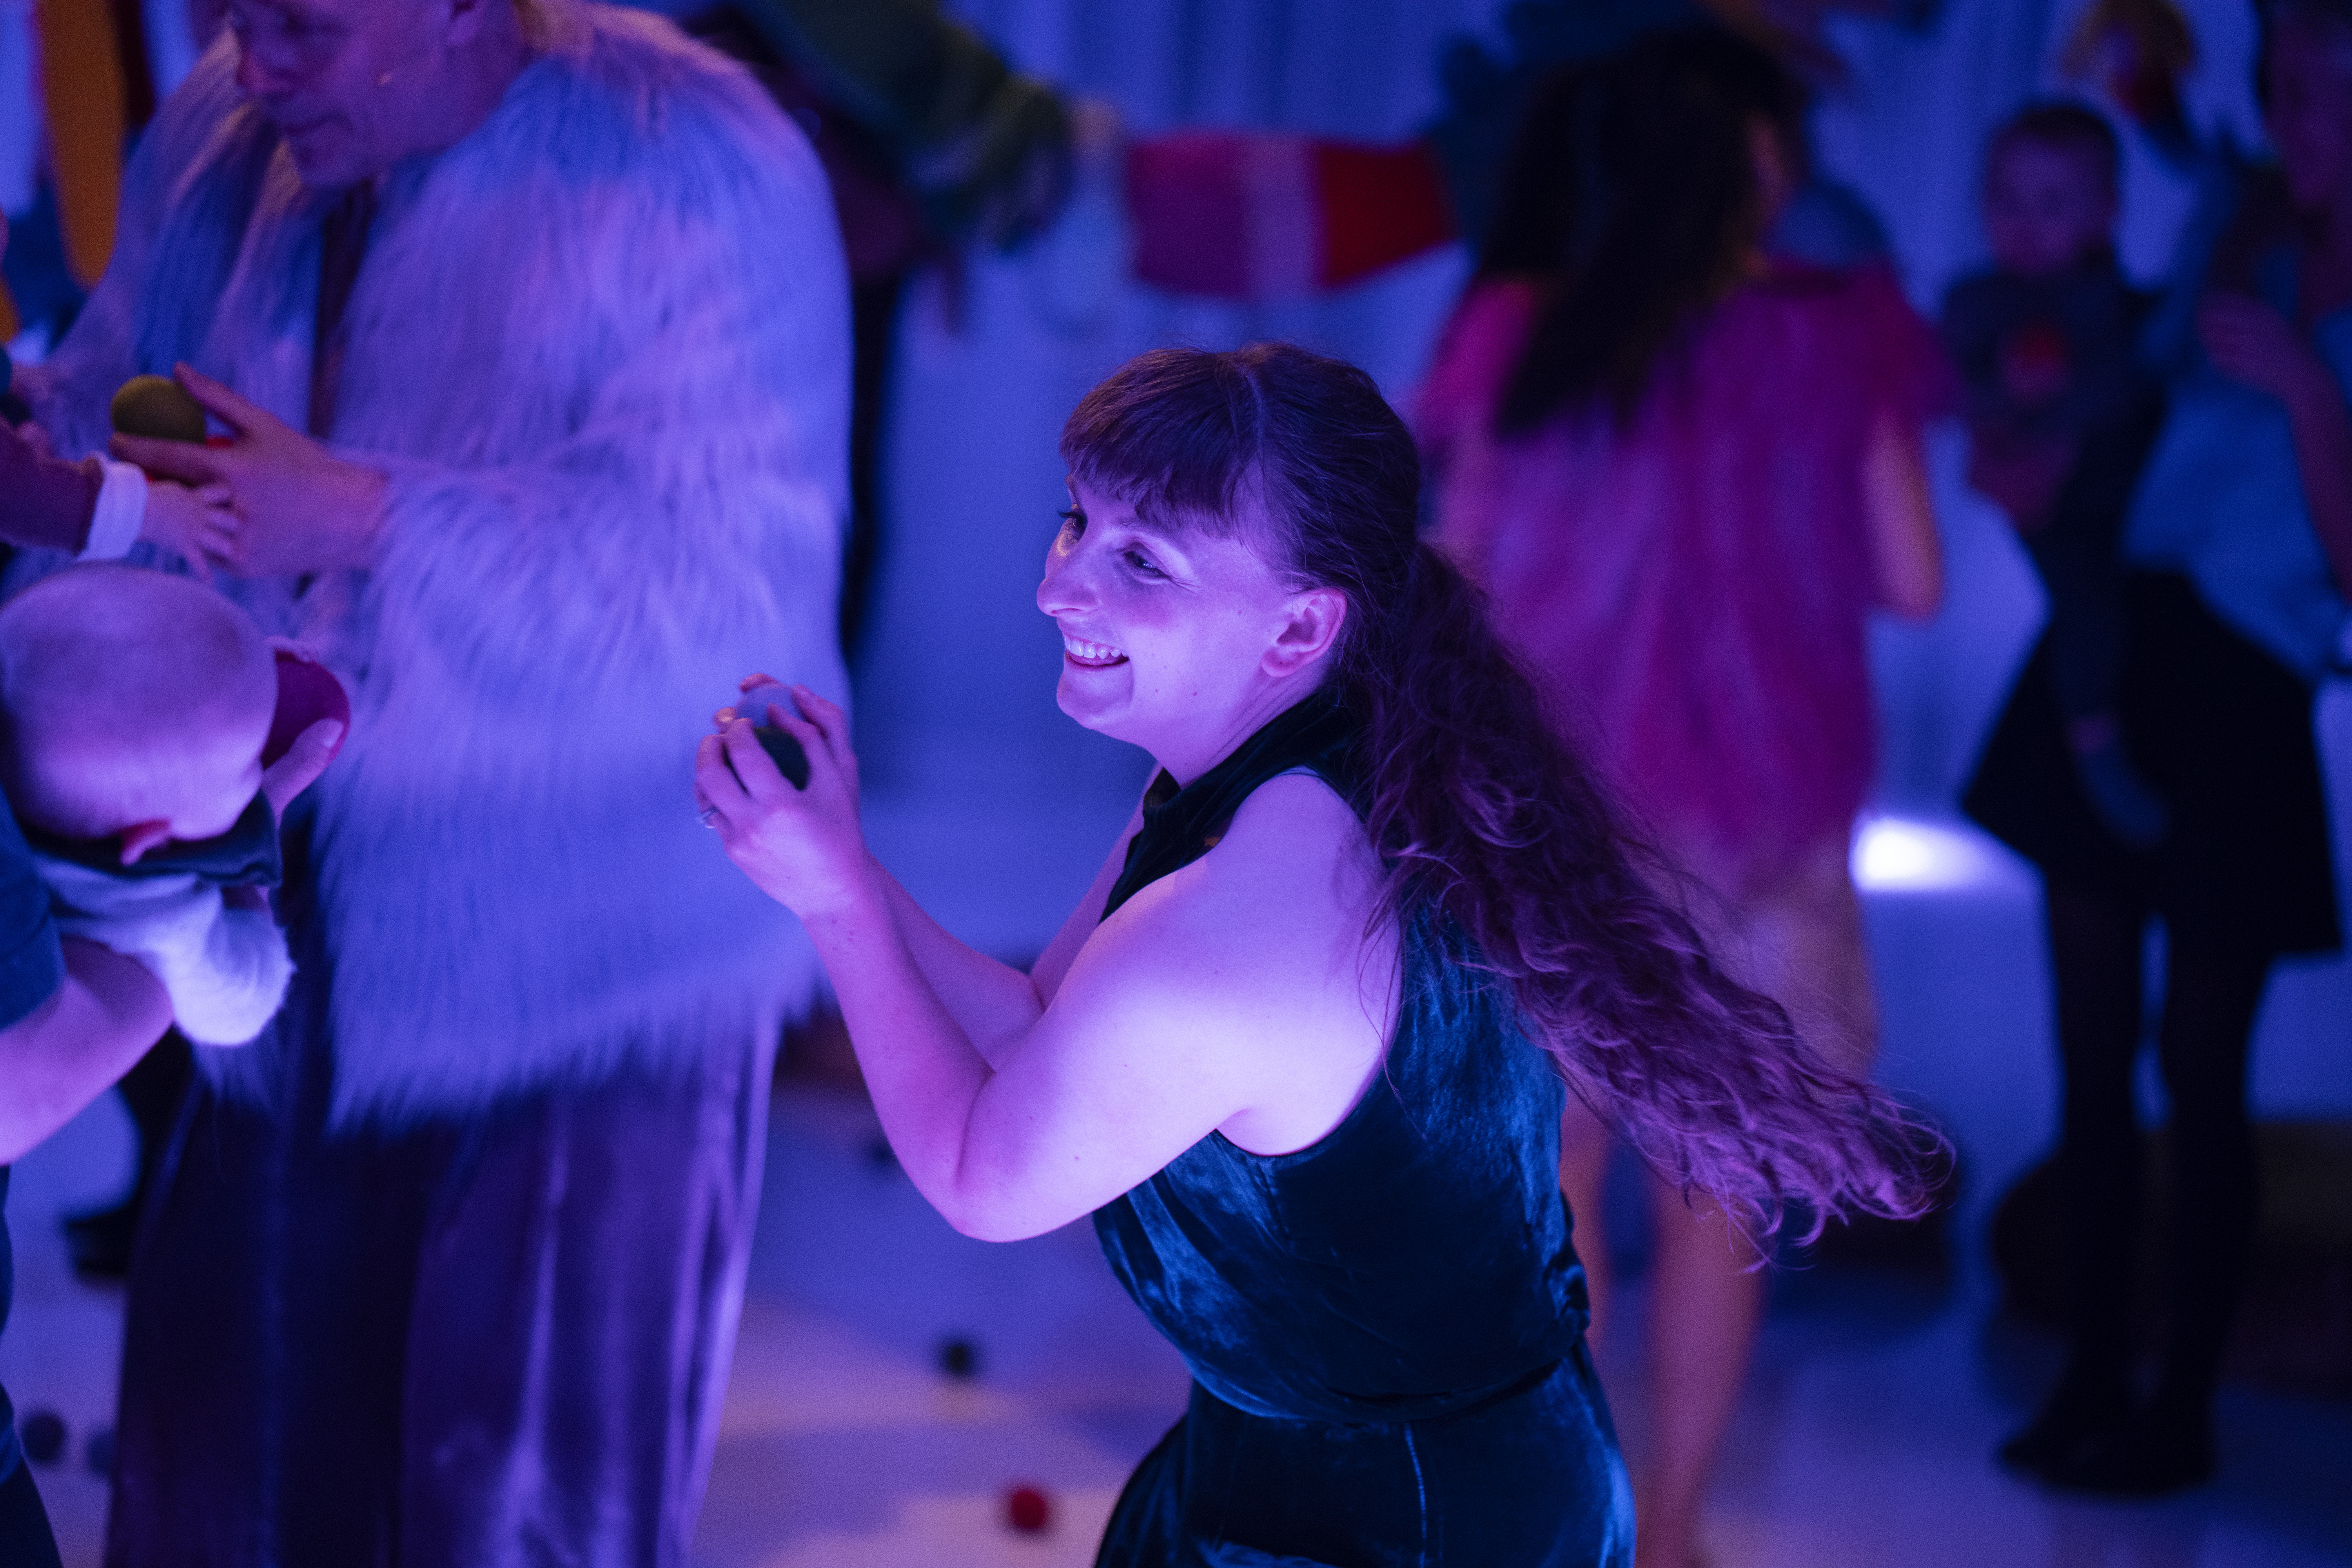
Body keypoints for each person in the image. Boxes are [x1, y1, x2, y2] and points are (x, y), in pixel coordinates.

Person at [694, 341, 1934, 1567]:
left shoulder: (1233, 930)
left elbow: (982, 1172)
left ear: (1297, 628)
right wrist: (844, 864)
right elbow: (1040, 1017)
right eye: (1077, 523)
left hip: (1407, 1525)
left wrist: (836, 912)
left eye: (1142, 560)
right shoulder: (1312, 758)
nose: (1057, 588)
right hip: (1333, 1461)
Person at [13, 0, 850, 1558]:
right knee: (225, 1495)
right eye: (233, 11)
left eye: (304, 24)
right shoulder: (222, 125)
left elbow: (728, 605)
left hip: (591, 983)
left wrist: (366, 519)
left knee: (511, 1513)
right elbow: (121, 395)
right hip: (277, 937)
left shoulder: (705, 165)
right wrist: (45, 452)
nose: (255, 61)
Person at [1414, 32, 1945, 1568]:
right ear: (1760, 169)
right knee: (1722, 1182)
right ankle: (1683, 1527)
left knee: (1551, 1171)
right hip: (1764, 826)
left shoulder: (1524, 332)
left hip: (1560, 818)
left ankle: (1576, 1515)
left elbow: (1465, 566)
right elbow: (1915, 576)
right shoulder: (1840, 338)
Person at [1965, 0, 2350, 1496]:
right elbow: (2123, 407)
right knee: (2087, 1045)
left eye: (2320, 100)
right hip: (2122, 644)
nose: (2291, 125)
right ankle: (2087, 1370)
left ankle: (2176, 1398)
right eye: (2284, 92)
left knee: (2197, 1060)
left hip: (2247, 679)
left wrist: (2307, 386)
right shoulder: (2239, 224)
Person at [0, 593, 338, 1568]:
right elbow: (238, 1002)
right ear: (153, 836)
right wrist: (246, 865)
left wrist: (206, 708)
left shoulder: (26, 802)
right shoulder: (160, 900)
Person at [1942, 103, 2170, 846]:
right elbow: (1939, 388)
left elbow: (2138, 380)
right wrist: (2005, 394)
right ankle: (2093, 734)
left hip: (2135, 496)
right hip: (2061, 509)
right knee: (2091, 609)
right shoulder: (1980, 304)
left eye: (2052, 204)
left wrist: (2065, 403)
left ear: (2104, 215)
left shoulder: (2116, 303)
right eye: (2005, 199)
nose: (2024, 223)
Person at [0, 566, 343, 1047]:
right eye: (246, 768)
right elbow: (244, 1002)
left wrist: (242, 678)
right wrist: (265, 817)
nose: (255, 765)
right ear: (151, 838)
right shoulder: (158, 920)